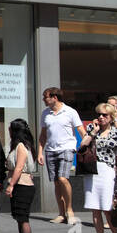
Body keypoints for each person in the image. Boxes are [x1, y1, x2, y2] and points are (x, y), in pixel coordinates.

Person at [37, 86, 86, 224]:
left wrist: (87, 144)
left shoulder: (70, 112)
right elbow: (43, 135)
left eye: (45, 97)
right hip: (50, 150)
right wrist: (40, 152)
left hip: (67, 148)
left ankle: (70, 210)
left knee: (63, 178)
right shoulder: (45, 113)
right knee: (57, 182)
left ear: (55, 98)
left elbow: (80, 130)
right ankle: (61, 213)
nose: (43, 100)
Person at [82, 104, 117, 233]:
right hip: (92, 170)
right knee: (95, 210)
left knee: (107, 210)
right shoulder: (92, 130)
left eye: (105, 115)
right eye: (99, 114)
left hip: (107, 171)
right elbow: (82, 146)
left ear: (111, 117)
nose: (101, 117)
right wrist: (93, 132)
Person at [4, 119, 38, 233]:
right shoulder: (19, 146)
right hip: (20, 185)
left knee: (23, 219)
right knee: (19, 218)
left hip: (23, 186)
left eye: (10, 129)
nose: (9, 131)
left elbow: (19, 168)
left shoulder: (21, 147)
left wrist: (11, 184)